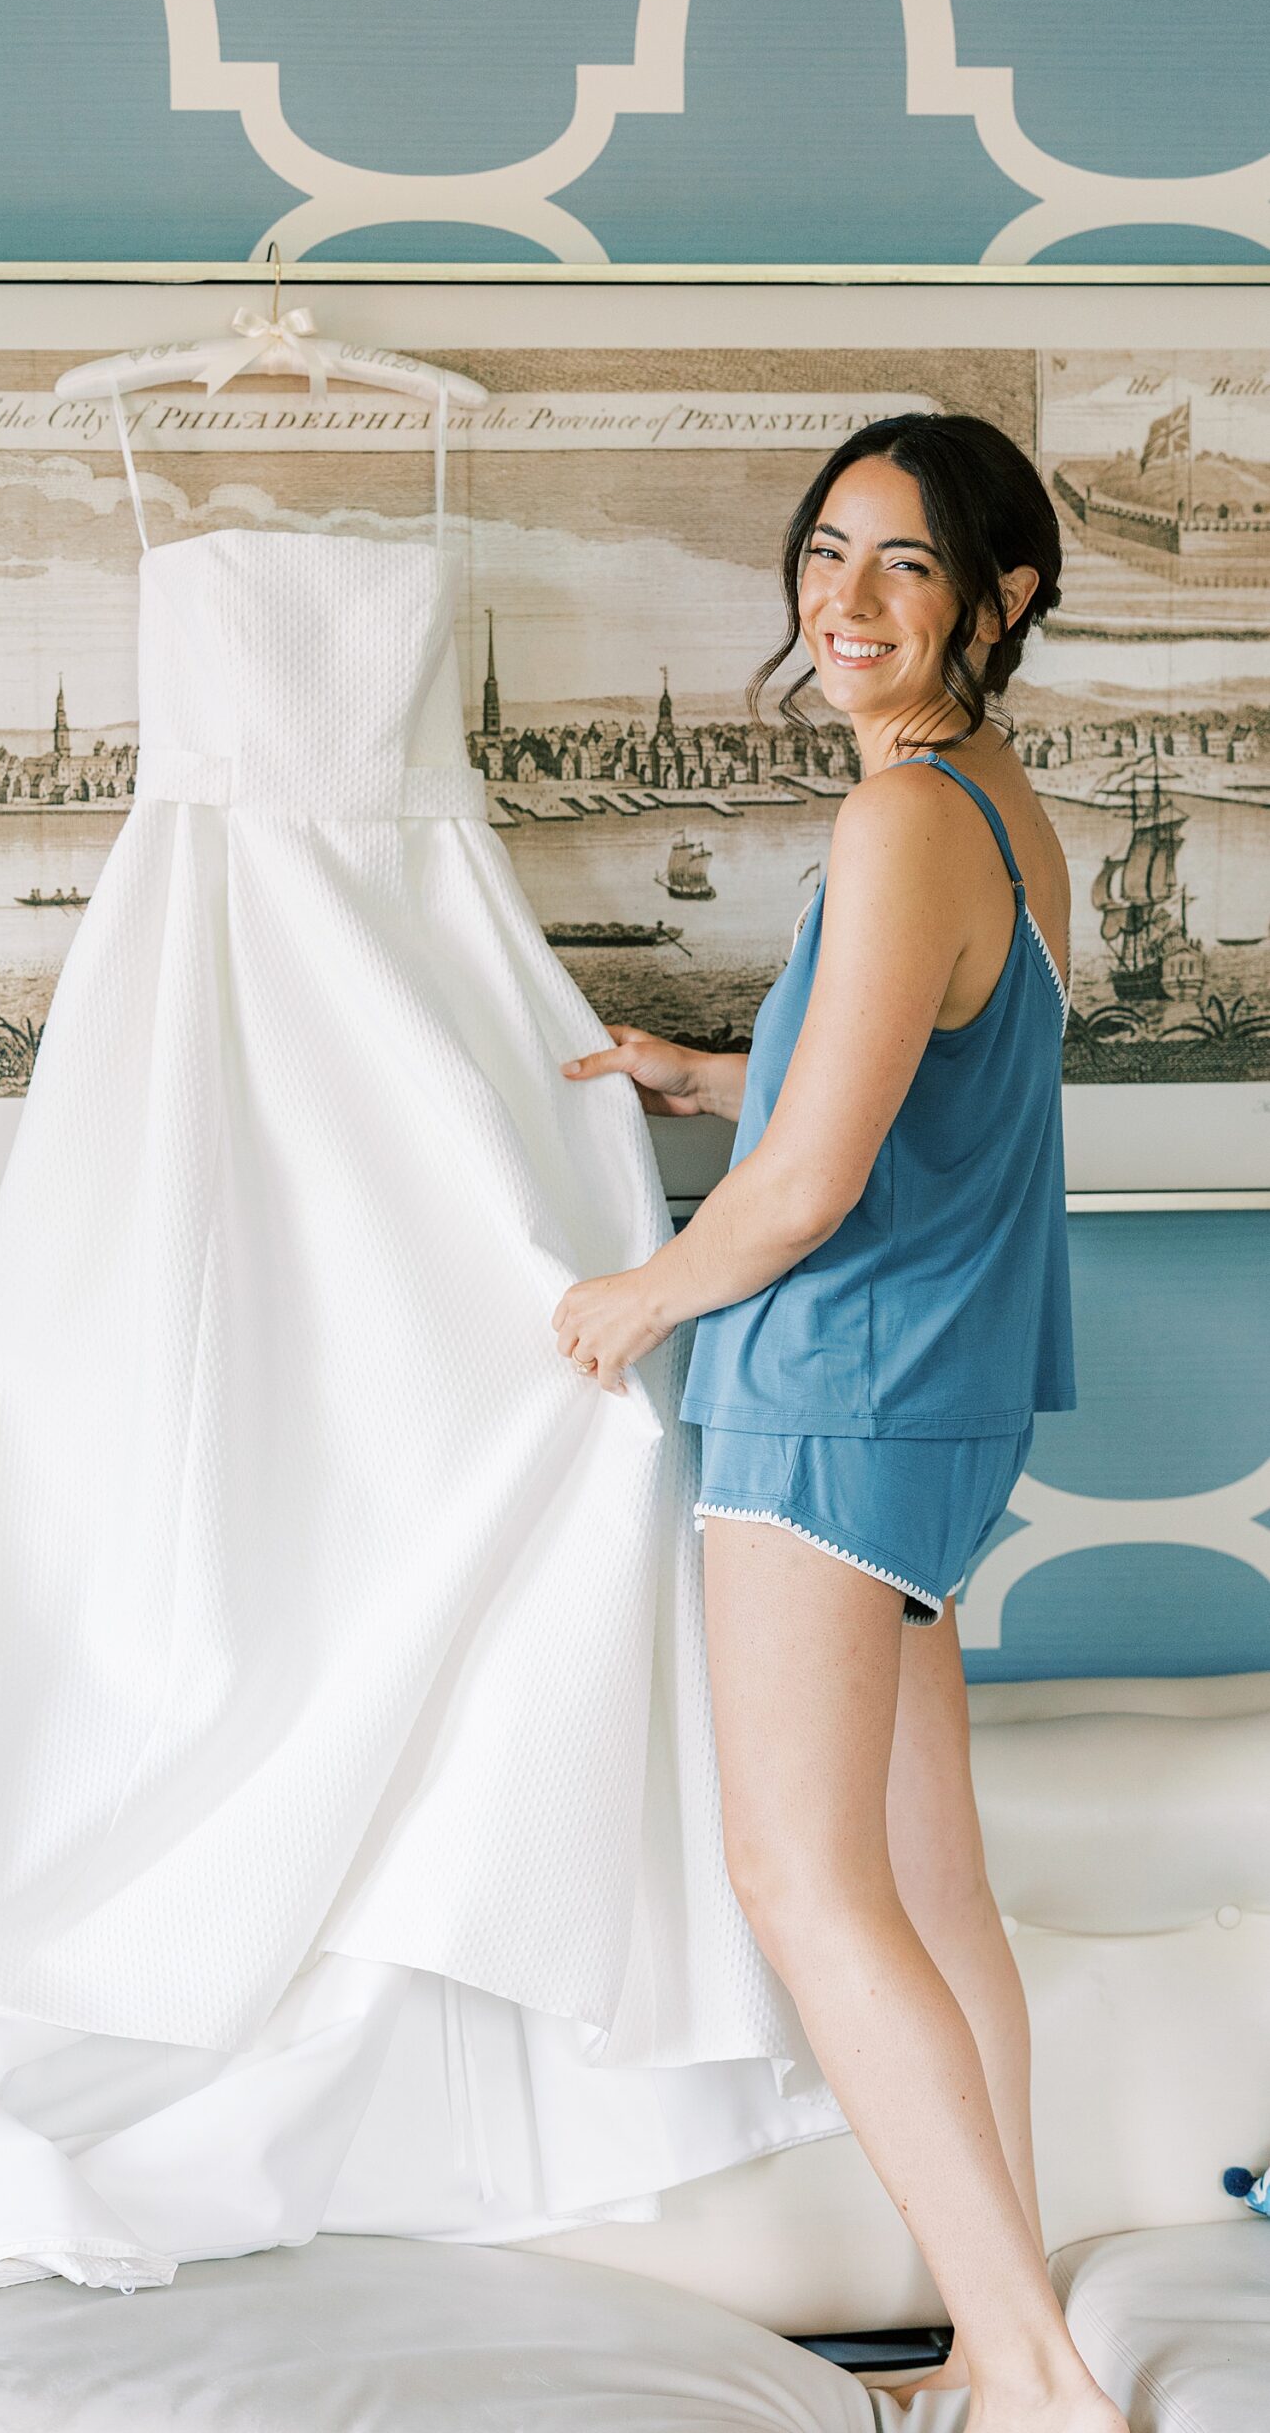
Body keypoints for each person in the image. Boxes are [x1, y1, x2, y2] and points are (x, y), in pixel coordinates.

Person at [554, 414, 1128, 2433]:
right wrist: (697, 1068)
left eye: (899, 563)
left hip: (835, 1395)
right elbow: (895, 1078)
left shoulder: (900, 822)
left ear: (1003, 597)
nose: (843, 599)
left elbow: (811, 1191)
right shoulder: (989, 805)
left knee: (805, 1886)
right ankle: (996, 2335)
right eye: (823, 553)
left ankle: (1038, 2374)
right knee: (924, 1882)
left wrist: (635, 1294)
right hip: (936, 1407)